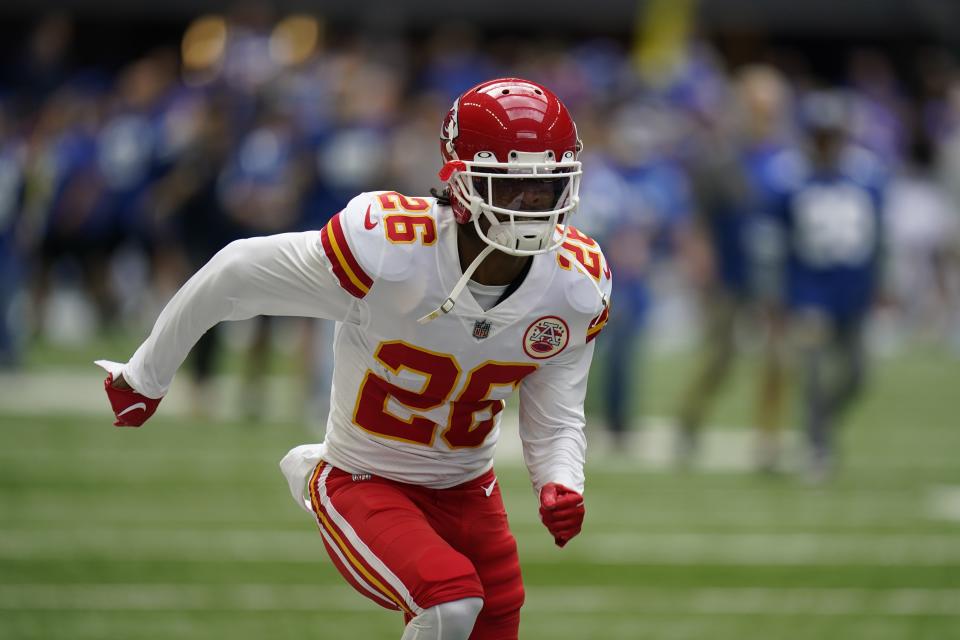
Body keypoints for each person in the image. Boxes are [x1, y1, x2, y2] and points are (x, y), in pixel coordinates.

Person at [96, 78, 611, 640]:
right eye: (513, 187)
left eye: (548, 185)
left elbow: (556, 414)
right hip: (365, 475)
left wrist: (560, 481)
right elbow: (236, 269)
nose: (534, 204)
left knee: (491, 621)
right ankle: (316, 475)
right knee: (449, 602)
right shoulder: (392, 249)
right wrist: (144, 374)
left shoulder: (575, 284)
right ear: (463, 184)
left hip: (469, 488)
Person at [773, 90, 887, 482]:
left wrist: (882, 282)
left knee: (858, 375)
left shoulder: (868, 174)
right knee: (817, 372)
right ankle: (819, 447)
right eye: (819, 134)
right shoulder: (787, 176)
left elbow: (879, 236)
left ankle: (820, 425)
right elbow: (775, 239)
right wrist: (779, 292)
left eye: (831, 133)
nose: (825, 142)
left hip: (853, 290)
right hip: (810, 291)